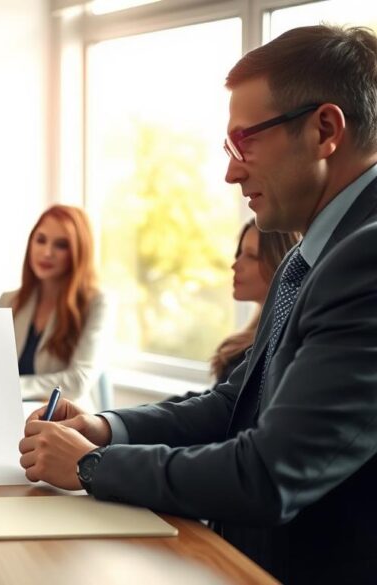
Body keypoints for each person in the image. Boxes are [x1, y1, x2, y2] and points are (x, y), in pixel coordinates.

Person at [19, 25, 377, 583]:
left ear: (324, 129)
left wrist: (90, 466)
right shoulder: (311, 252)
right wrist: (106, 429)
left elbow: (270, 475)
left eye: (245, 142)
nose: (231, 170)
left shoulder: (366, 256)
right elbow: (237, 402)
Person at [0, 204, 109, 411]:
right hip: (10, 413)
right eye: (41, 240)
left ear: (78, 252)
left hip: (66, 423)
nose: (47, 253)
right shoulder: (9, 301)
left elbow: (78, 381)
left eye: (61, 245)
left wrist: (13, 387)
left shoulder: (97, 303)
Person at [210, 220, 299, 384]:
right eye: (239, 253)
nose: (235, 265)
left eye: (251, 256)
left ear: (278, 263)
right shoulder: (248, 337)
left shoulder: (280, 343)